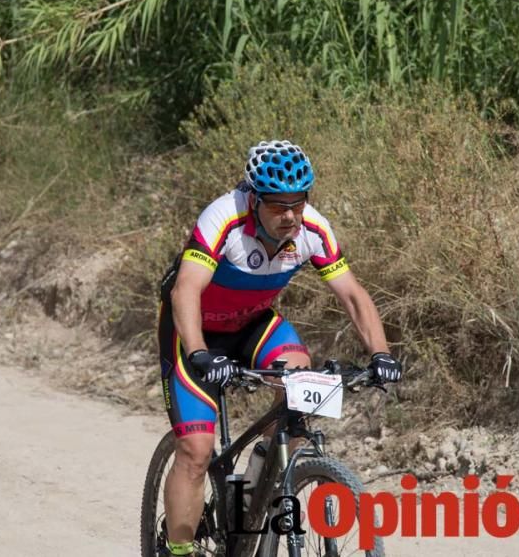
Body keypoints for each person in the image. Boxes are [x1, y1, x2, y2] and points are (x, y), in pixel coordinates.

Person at [156, 139, 402, 557]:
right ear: (253, 199)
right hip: (193, 331)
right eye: (276, 205)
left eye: (298, 202)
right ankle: (177, 549)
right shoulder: (224, 217)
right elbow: (186, 291)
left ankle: (256, 489)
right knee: (196, 450)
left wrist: (381, 354)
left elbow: (353, 296)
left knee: (298, 389)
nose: (289, 215)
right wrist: (198, 352)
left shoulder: (313, 229)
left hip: (253, 324)